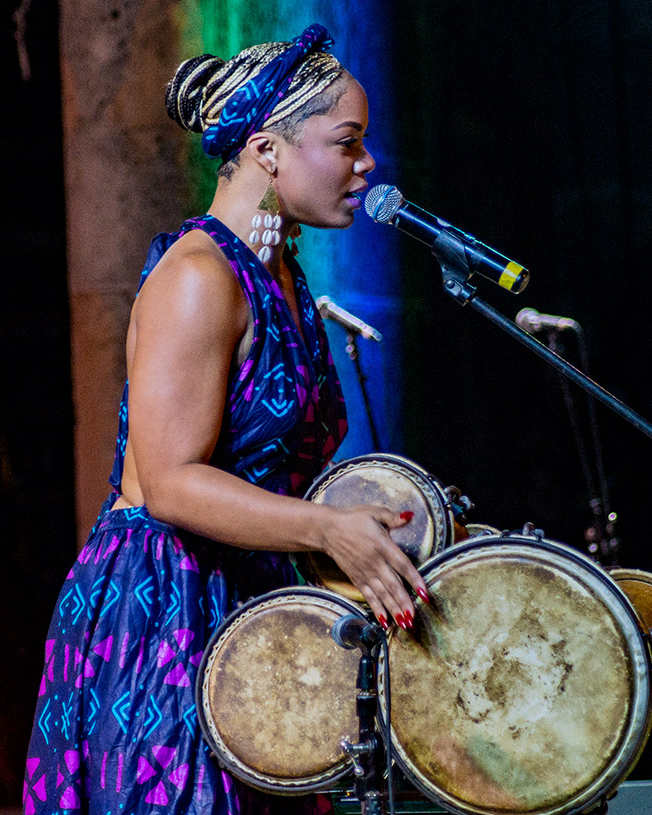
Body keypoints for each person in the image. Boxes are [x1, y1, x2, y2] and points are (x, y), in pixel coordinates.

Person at [23, 24, 426, 815]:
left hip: (251, 607)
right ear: (270, 150)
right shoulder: (199, 277)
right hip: (167, 611)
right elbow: (170, 482)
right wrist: (324, 529)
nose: (367, 163)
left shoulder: (280, 276)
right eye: (346, 142)